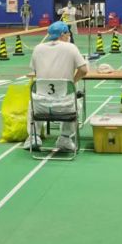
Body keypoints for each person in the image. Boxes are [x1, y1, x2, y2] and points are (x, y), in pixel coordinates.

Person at [25, 21, 88, 153]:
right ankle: (64, 138)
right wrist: (72, 82)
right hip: (64, 106)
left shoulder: (38, 48)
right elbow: (83, 70)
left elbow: (35, 72)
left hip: (41, 107)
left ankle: (34, 137)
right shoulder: (71, 48)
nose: (69, 36)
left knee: (32, 103)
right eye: (68, 33)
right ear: (62, 34)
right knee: (76, 103)